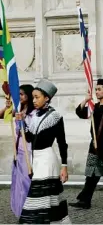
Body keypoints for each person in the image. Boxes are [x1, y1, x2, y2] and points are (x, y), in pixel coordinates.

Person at [18, 79, 70, 224]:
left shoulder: (55, 116)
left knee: (43, 196)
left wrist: (64, 166)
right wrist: (22, 122)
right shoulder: (35, 116)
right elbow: (29, 138)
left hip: (47, 159)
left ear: (46, 98)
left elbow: (62, 143)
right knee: (41, 196)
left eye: (37, 97)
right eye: (33, 97)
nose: (34, 100)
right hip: (36, 159)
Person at [70, 79, 103, 209]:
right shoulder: (94, 107)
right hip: (94, 146)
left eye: (99, 89)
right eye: (96, 89)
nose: (96, 92)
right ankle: (85, 201)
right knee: (91, 174)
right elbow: (80, 113)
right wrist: (86, 100)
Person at [0, 85, 35, 218]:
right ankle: (21, 210)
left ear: (28, 95)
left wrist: (23, 121)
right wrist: (8, 107)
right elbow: (2, 115)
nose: (19, 96)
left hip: (29, 150)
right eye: (18, 94)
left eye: (21, 94)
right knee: (18, 182)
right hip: (18, 150)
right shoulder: (19, 108)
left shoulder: (33, 111)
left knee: (27, 181)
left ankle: (30, 209)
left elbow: (33, 130)